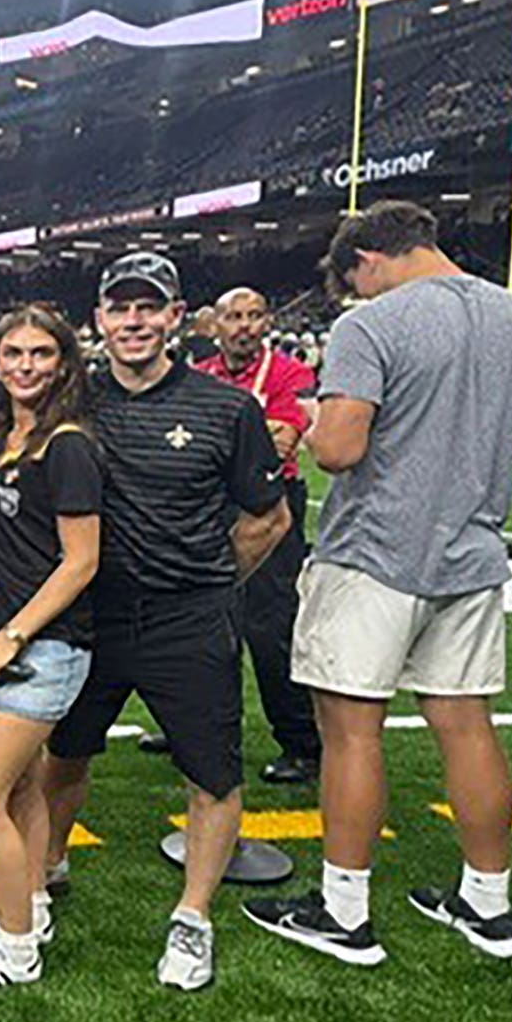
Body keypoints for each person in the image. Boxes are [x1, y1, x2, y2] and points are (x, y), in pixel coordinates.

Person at [245, 201, 512, 965]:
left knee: (352, 732)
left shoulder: (372, 324)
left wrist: (318, 422)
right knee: (468, 726)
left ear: (367, 259)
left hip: (375, 554)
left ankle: (344, 909)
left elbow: (339, 451)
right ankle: (488, 906)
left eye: (354, 282)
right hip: (472, 554)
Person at [41, 252, 291, 992]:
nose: (134, 321)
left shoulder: (226, 407)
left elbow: (267, 518)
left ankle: (193, 916)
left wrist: (209, 582)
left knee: (210, 771)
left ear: (179, 316)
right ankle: (49, 863)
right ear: (99, 319)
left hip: (189, 616)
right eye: (120, 308)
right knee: (64, 751)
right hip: (94, 614)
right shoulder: (71, 401)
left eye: (149, 307)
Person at [0, 307, 103, 989]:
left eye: (39, 353)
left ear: (63, 363)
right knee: (23, 788)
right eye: (13, 354)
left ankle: (16, 948)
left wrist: (12, 636)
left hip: (38, 650)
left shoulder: (67, 445)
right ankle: (28, 904)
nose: (25, 366)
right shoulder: (2, 436)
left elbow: (81, 560)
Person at [196, 289, 321, 784]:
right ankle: (197, 727)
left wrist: (217, 442)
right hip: (210, 505)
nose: (243, 326)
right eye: (233, 317)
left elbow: (281, 443)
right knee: (200, 623)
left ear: (267, 320)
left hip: (270, 505)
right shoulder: (203, 373)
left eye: (253, 315)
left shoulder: (291, 373)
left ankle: (302, 743)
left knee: (269, 629)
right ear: (215, 324)